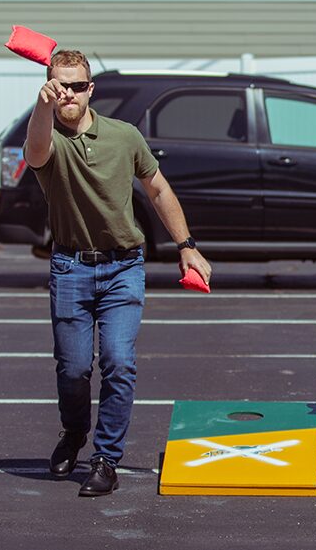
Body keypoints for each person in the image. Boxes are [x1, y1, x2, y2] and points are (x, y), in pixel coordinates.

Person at [24, 50, 211, 496]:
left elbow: (159, 188)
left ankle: (106, 458)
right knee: (72, 369)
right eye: (60, 85)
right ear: (51, 88)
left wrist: (187, 247)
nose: (69, 92)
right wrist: (42, 105)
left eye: (77, 85)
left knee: (119, 363)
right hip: (70, 267)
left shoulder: (124, 136)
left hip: (123, 266)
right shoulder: (48, 136)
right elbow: (34, 151)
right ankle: (74, 432)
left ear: (92, 89)